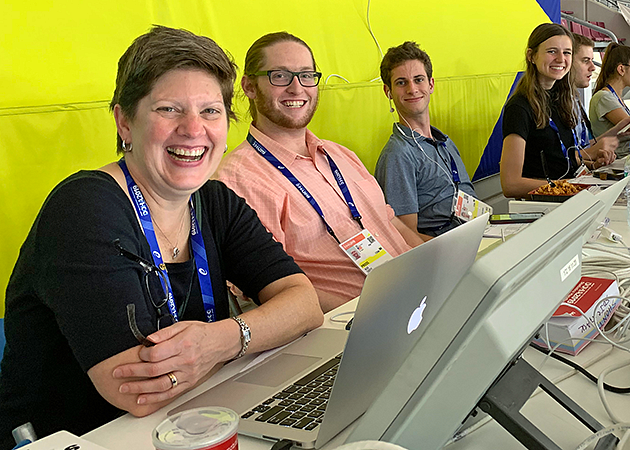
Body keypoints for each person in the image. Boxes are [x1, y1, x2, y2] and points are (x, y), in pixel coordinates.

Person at [0, 26, 323, 447]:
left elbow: (305, 303)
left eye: (210, 111)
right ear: (124, 122)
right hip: (84, 437)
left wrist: (222, 340)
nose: (193, 129)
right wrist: (257, 332)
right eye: (169, 109)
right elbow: (136, 393)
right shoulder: (83, 209)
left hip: (190, 421)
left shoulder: (214, 199)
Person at [215, 32, 425, 313]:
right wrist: (368, 314)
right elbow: (268, 287)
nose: (296, 87)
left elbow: (391, 223)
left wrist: (439, 265)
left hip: (419, 299)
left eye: (306, 75)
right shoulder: (237, 180)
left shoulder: (341, 155)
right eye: (280, 76)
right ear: (250, 86)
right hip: (352, 331)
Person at [500, 23, 615, 199]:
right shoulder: (519, 107)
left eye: (567, 52)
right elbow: (511, 184)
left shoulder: (562, 99)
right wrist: (569, 187)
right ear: (531, 56)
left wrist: (591, 163)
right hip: (544, 209)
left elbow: (558, 162)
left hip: (571, 201)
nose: (561, 59)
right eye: (552, 51)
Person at [375, 41, 476, 237]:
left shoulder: (445, 142)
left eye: (418, 79)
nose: (412, 89)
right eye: (401, 82)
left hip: (477, 231)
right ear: (388, 92)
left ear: (431, 84)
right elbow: (407, 237)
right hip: (446, 249)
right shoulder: (398, 155)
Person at [572, 33, 624, 168]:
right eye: (585, 60)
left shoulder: (575, 100)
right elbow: (561, 158)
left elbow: (578, 151)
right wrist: (592, 154)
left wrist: (594, 164)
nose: (593, 67)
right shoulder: (603, 97)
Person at [589, 42, 630, 156]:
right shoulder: (604, 97)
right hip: (616, 159)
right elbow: (628, 128)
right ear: (621, 69)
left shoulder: (615, 97)